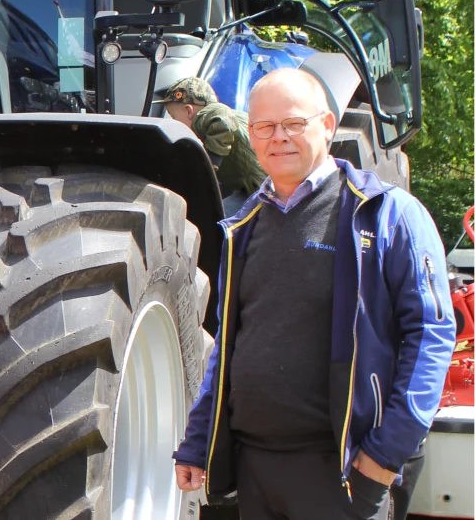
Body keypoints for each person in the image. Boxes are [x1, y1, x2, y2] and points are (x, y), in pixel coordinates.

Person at [172, 69, 456, 520]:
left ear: (326, 125)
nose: (278, 138)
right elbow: (229, 345)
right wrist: (199, 439)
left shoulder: (385, 213)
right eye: (264, 127)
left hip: (342, 474)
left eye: (293, 124)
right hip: (255, 471)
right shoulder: (243, 227)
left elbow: (430, 335)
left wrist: (385, 454)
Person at [157, 77, 265, 216]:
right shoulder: (234, 117)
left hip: (261, 190)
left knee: (215, 222)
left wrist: (209, 165)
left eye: (174, 117)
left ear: (189, 111)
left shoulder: (205, 116)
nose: (174, 122)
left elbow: (222, 118)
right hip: (256, 187)